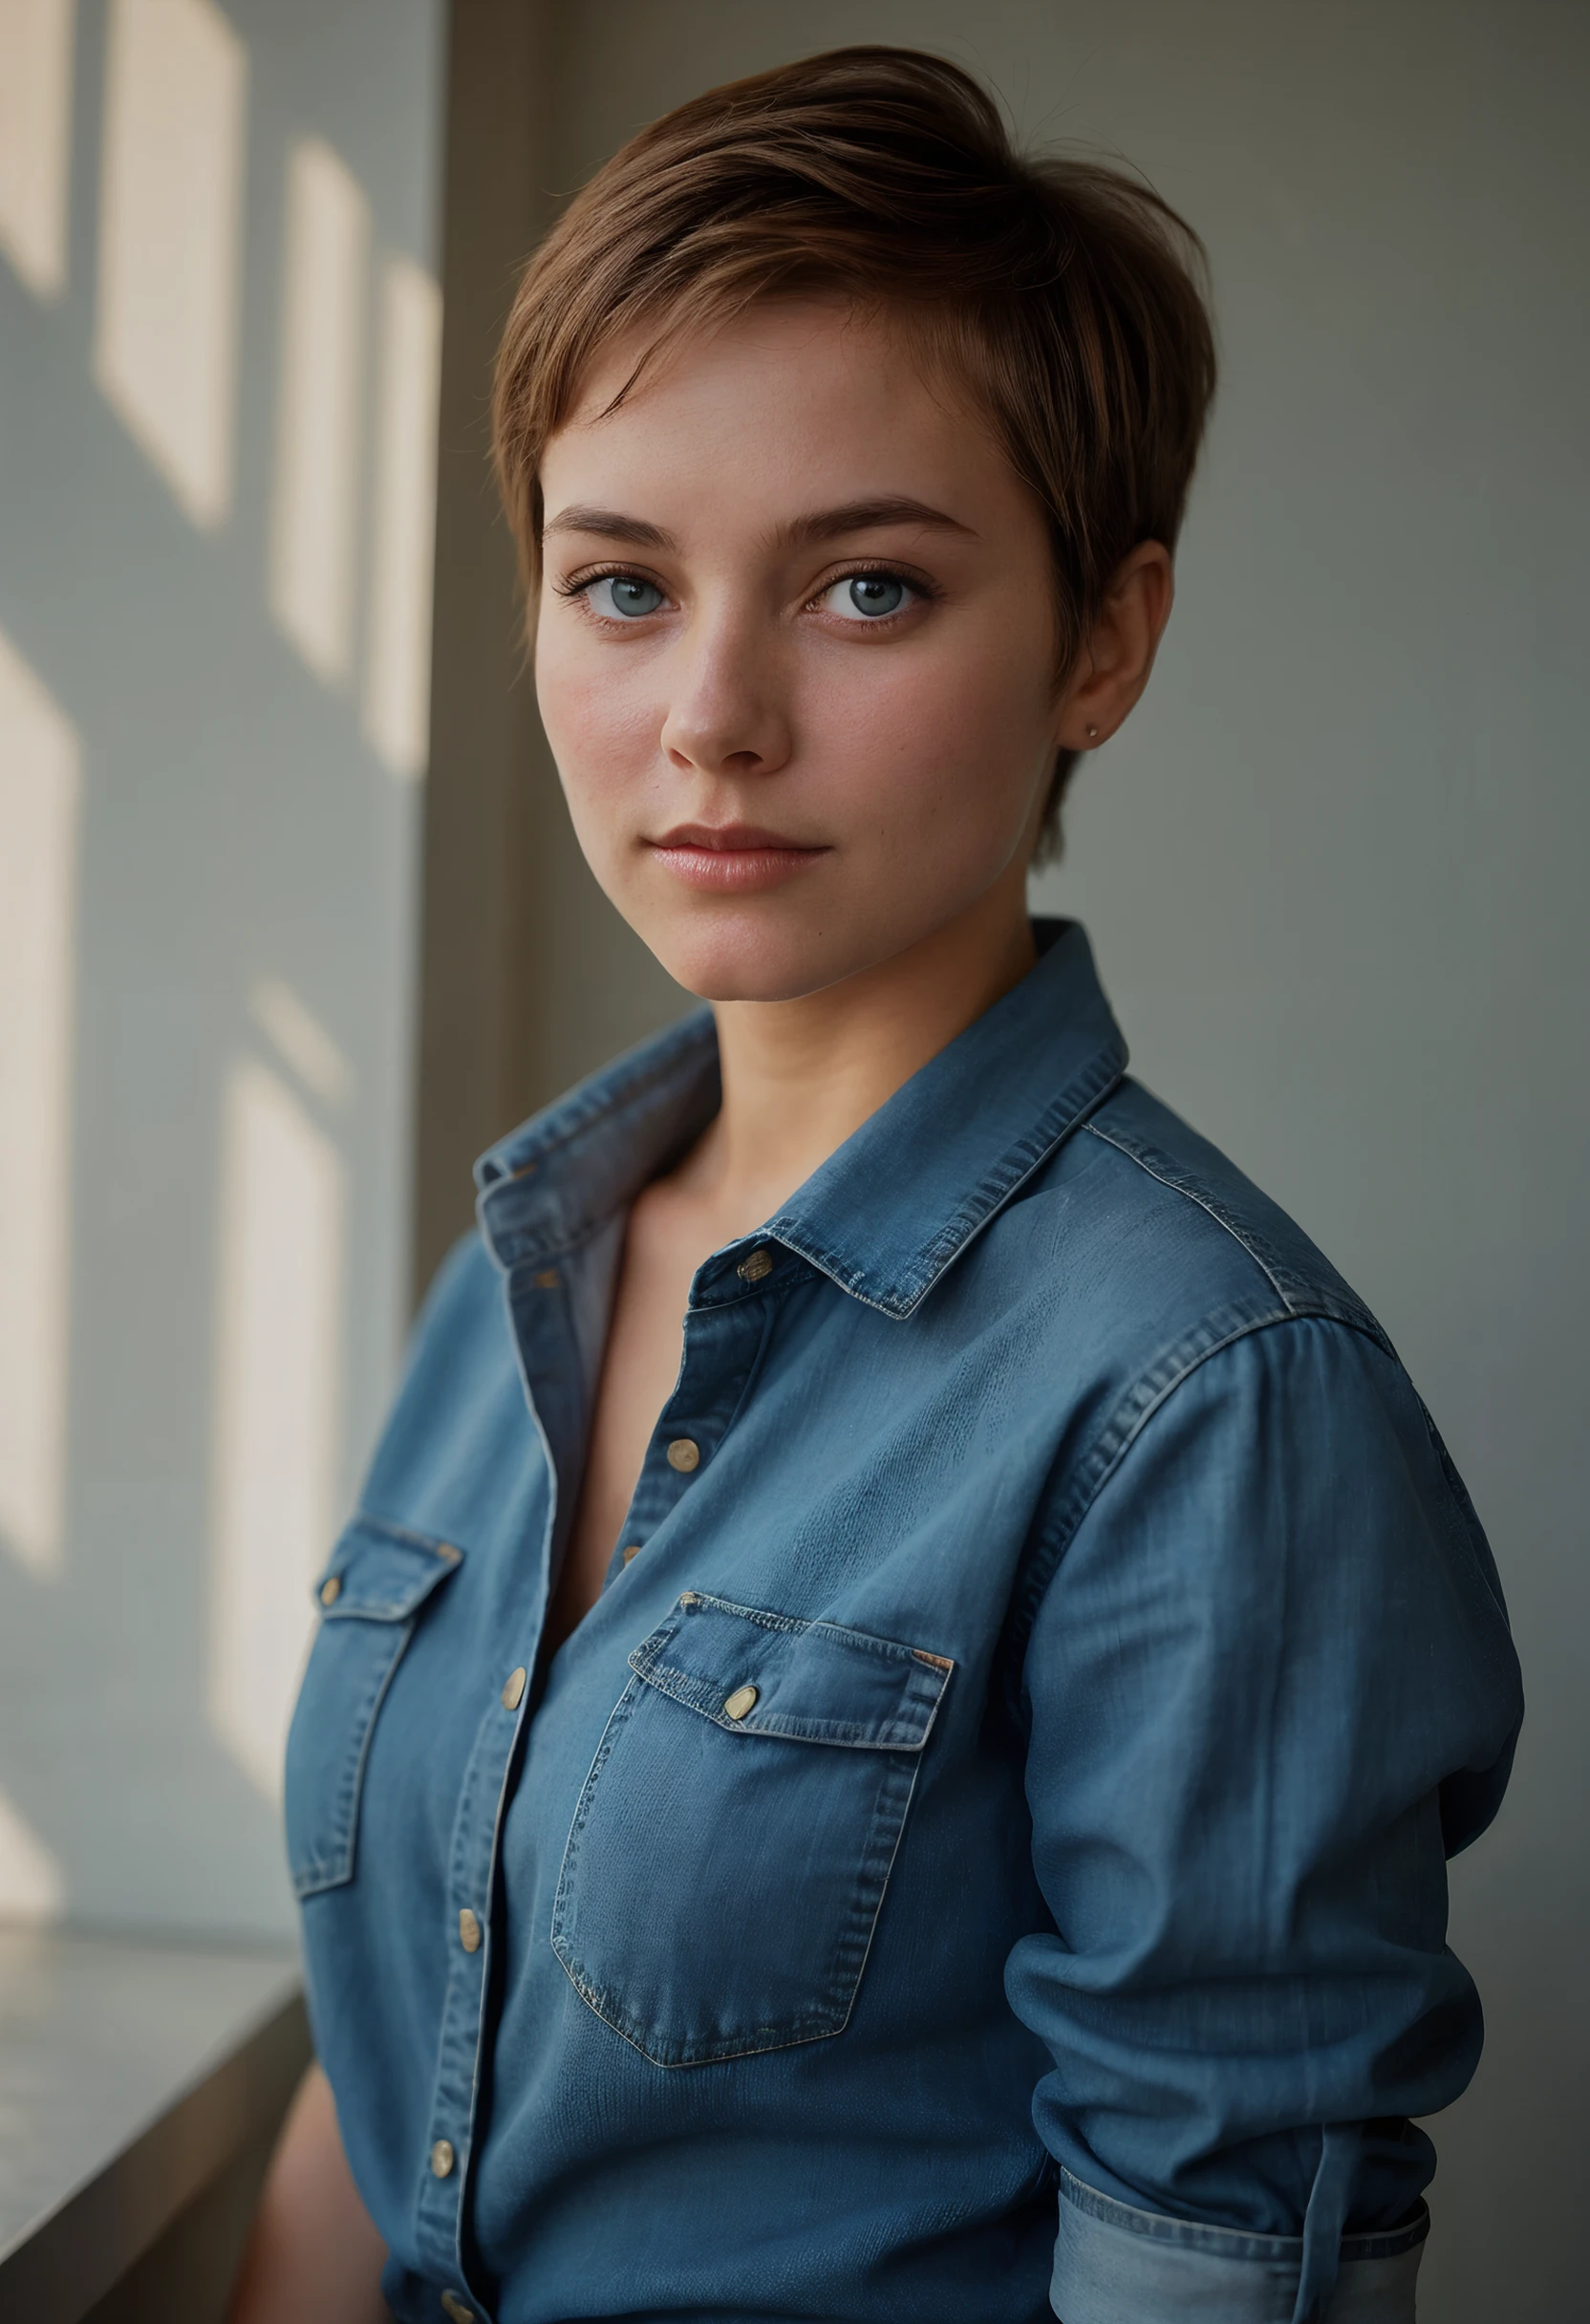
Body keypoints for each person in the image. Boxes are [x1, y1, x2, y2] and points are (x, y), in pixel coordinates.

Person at [229, 47, 1522, 2324]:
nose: (709, 714)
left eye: (864, 592)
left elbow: (1213, 2259)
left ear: (1100, 642)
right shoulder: (517, 1272)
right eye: (621, 584)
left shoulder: (1208, 1397)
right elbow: (395, 2057)